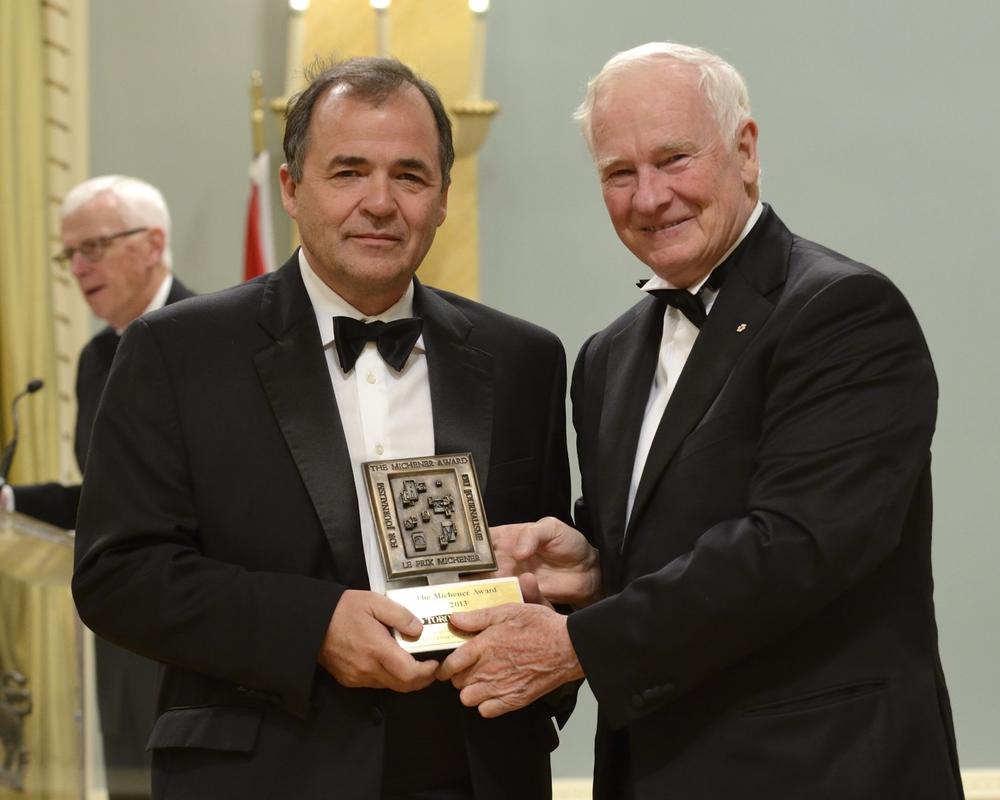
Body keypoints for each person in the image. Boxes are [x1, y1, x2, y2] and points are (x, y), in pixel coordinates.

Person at [437, 42, 964, 799]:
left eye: (674, 159)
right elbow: (674, 546)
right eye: (620, 173)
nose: (649, 197)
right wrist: (591, 572)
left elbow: (795, 545)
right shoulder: (607, 357)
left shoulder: (843, 313)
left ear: (745, 152)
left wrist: (580, 645)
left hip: (824, 772)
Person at [72, 57, 571, 800]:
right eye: (347, 172)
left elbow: (545, 569)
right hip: (261, 771)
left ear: (442, 199)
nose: (379, 202)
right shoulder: (175, 352)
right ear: (291, 190)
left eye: (409, 175)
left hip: (475, 767)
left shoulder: (523, 358)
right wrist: (313, 628)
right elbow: (118, 577)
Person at [2, 175, 191, 800]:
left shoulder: (211, 339)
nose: (79, 267)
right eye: (70, 254)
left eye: (94, 247)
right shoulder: (94, 359)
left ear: (153, 242)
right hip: (120, 619)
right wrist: (14, 502)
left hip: (198, 619)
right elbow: (106, 495)